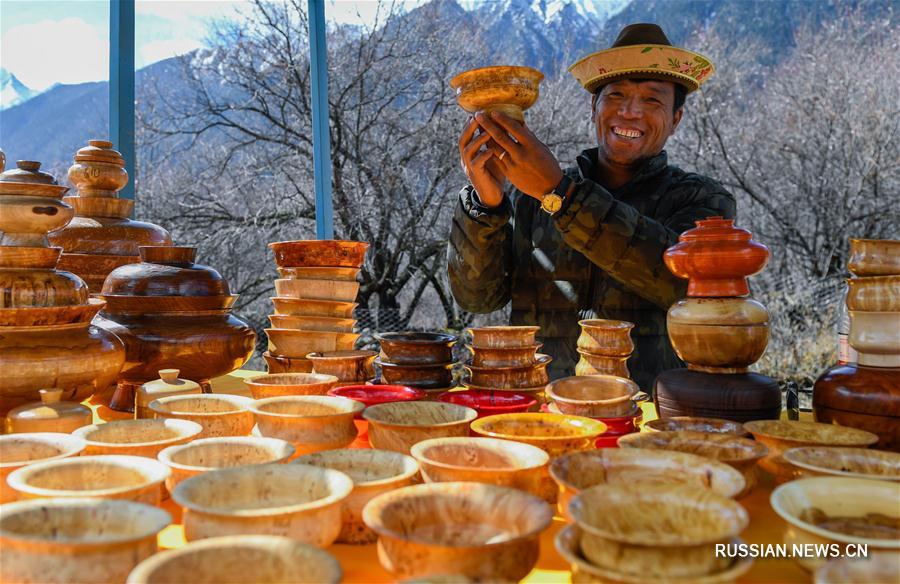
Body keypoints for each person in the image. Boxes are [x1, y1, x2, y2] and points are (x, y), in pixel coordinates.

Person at [448, 23, 736, 391]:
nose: (630, 112)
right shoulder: (532, 195)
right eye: (615, 95)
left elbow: (680, 283)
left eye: (652, 100)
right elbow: (478, 297)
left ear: (676, 119)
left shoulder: (703, 202)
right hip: (539, 404)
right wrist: (487, 205)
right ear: (593, 107)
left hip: (646, 413)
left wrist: (561, 195)